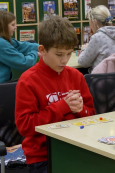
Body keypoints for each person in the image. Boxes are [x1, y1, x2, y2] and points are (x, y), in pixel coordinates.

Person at [15, 16, 95, 173]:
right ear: (42, 50)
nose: (64, 60)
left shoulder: (76, 76)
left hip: (77, 147)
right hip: (43, 156)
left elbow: (91, 113)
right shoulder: (28, 81)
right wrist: (61, 107)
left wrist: (80, 110)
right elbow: (25, 126)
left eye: (69, 53)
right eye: (59, 54)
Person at [0, 10, 38, 84]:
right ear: (4, 26)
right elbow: (24, 63)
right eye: (13, 25)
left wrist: (42, 47)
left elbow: (21, 46)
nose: (15, 27)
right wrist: (35, 53)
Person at [77, 5, 115, 73]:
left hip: (100, 80)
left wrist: (84, 49)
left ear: (94, 22)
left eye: (90, 22)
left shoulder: (98, 37)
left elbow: (82, 62)